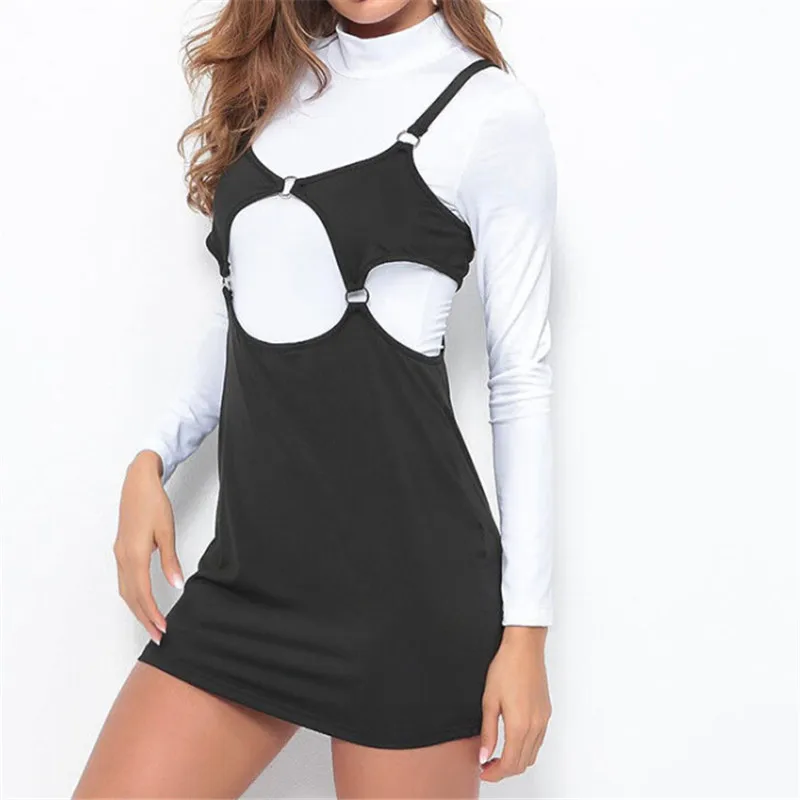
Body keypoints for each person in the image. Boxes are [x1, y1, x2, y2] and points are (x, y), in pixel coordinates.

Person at [73, 0, 557, 797]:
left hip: (409, 600)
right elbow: (248, 307)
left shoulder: (490, 115)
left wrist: (526, 632)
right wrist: (153, 455)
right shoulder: (280, 86)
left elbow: (521, 379)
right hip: (250, 583)